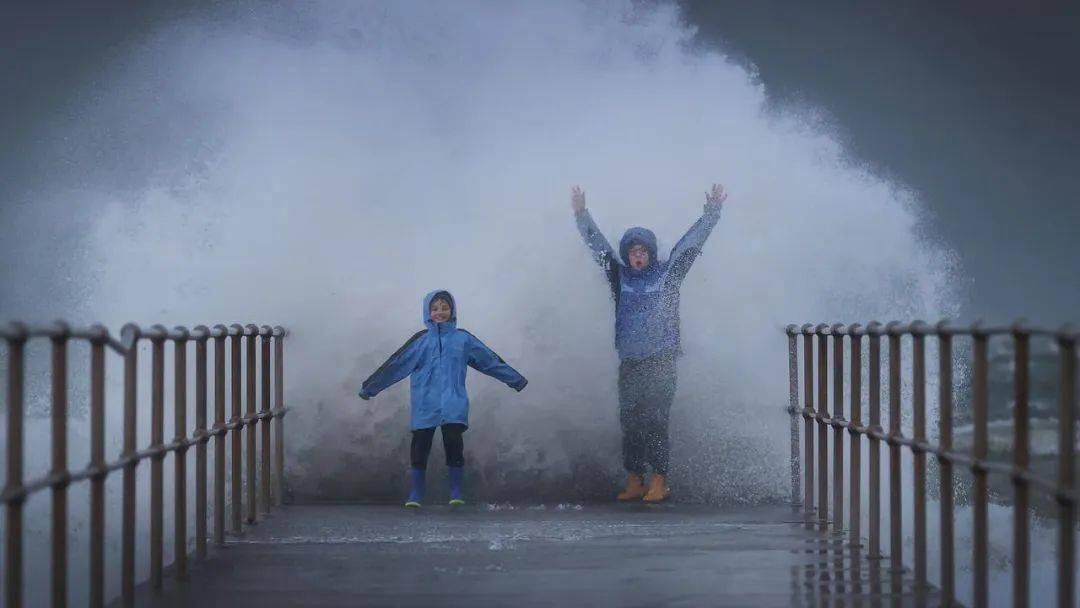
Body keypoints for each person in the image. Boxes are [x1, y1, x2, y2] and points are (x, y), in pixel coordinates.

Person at [571, 184, 727, 502]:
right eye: (632, 252)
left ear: (651, 253)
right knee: (630, 422)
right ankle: (634, 478)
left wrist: (711, 213)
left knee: (656, 420)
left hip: (661, 360)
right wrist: (581, 214)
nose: (637, 256)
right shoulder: (619, 277)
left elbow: (689, 245)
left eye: (642, 251)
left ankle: (659, 479)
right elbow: (597, 246)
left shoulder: (668, 275)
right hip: (631, 361)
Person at [358, 290, 528, 507]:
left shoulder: (463, 339)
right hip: (424, 403)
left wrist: (516, 380)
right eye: (435, 308)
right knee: (420, 446)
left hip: (453, 402)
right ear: (428, 312)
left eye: (445, 308)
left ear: (452, 310)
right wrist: (370, 388)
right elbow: (395, 366)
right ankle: (416, 493)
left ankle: (456, 491)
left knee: (454, 444)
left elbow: (490, 361)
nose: (440, 312)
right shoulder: (420, 341)